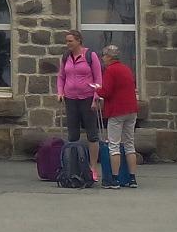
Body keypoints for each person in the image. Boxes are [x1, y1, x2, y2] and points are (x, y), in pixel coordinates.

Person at [96, 43, 139, 189]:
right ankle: (132, 178)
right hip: (131, 110)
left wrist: (97, 90)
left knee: (113, 145)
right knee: (129, 144)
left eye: (104, 56)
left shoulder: (110, 70)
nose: (102, 59)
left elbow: (106, 92)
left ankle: (114, 179)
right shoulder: (126, 69)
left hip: (117, 110)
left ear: (109, 57)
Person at [56, 30, 102, 147]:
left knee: (92, 134)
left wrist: (95, 98)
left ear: (78, 41)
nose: (68, 44)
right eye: (67, 41)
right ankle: (73, 161)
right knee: (72, 134)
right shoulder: (66, 56)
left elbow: (98, 79)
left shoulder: (90, 55)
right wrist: (60, 92)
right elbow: (61, 76)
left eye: (70, 41)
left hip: (87, 98)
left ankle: (93, 164)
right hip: (70, 98)